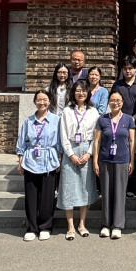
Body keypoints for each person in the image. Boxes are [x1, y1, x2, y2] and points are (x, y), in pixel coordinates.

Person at [16, 90, 62, 242]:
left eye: (45, 99)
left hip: (49, 160)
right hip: (31, 161)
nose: (42, 102)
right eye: (39, 100)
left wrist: (59, 159)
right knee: (31, 196)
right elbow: (22, 143)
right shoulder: (28, 121)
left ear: (49, 101)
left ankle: (45, 227)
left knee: (47, 196)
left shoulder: (56, 120)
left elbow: (59, 142)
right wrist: (20, 161)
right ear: (35, 102)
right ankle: (32, 227)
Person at [57, 80, 100, 240]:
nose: (81, 93)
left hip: (87, 149)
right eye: (78, 90)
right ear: (73, 93)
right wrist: (70, 154)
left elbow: (96, 136)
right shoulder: (67, 111)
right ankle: (70, 226)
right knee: (68, 187)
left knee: (85, 187)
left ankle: (82, 224)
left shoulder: (93, 112)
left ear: (88, 93)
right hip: (71, 150)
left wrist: (89, 153)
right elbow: (63, 135)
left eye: (84, 91)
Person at [93, 91, 136, 239]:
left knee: (120, 193)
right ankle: (105, 224)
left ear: (122, 103)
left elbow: (132, 141)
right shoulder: (102, 119)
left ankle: (117, 226)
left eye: (118, 100)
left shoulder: (128, 119)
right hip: (105, 160)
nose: (115, 103)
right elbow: (97, 141)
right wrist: (95, 161)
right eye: (112, 100)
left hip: (122, 160)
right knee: (106, 193)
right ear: (108, 102)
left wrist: (132, 161)